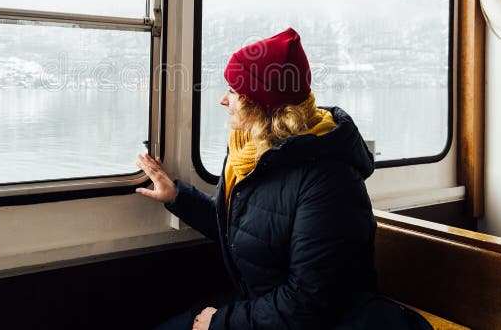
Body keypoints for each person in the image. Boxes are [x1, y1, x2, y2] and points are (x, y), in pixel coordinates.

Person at [136, 28, 377, 329]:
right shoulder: (251, 151)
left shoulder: (329, 182)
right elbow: (244, 232)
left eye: (234, 91)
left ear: (260, 104)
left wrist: (220, 323)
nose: (223, 100)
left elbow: (311, 302)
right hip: (258, 307)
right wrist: (177, 196)